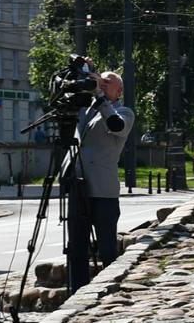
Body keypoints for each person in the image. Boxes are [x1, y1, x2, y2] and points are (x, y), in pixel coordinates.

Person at [65, 71, 135, 291]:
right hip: (79, 187)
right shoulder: (87, 111)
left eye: (107, 82)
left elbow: (116, 126)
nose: (102, 85)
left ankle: (110, 290)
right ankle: (77, 291)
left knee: (106, 247)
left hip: (103, 192)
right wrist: (83, 74)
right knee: (76, 247)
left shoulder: (124, 112)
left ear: (119, 91)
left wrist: (99, 96)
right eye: (100, 81)